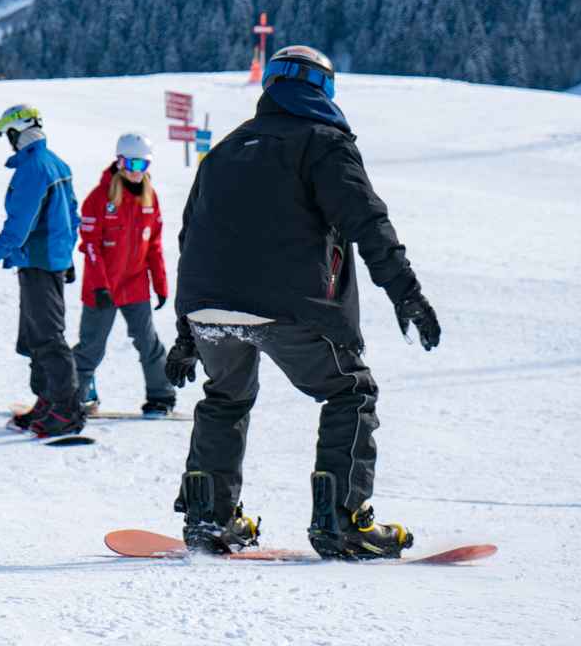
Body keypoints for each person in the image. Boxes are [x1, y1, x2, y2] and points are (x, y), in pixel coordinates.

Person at [166, 45, 442, 559]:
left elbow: (192, 239)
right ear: (325, 90)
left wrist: (188, 333)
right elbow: (367, 223)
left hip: (208, 309)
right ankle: (341, 522)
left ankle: (208, 518)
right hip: (290, 305)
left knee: (225, 398)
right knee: (350, 392)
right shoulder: (324, 142)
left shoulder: (224, 150)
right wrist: (407, 294)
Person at [0, 104, 84, 437]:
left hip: (39, 262)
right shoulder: (56, 163)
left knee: (47, 338)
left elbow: (20, 226)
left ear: (17, 132)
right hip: (47, 261)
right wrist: (67, 258)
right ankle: (47, 400)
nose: (8, 142)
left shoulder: (33, 169)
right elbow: (71, 217)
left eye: (8, 134)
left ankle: (67, 411)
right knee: (34, 338)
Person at [71, 132, 178, 416]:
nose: (136, 171)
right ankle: (72, 396)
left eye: (143, 165)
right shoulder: (99, 198)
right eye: (131, 164)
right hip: (102, 288)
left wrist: (161, 285)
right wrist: (100, 286)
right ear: (119, 162)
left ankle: (161, 396)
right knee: (91, 347)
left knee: (148, 343)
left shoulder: (150, 198)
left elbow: (154, 245)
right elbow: (90, 246)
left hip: (135, 285)